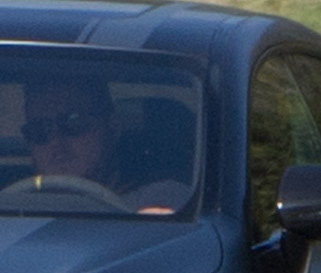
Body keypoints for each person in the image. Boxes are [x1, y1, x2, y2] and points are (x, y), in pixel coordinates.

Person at [14, 79, 192, 215]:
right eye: (39, 130)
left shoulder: (162, 200)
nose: (56, 141)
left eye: (74, 122)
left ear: (112, 128)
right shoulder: (14, 210)